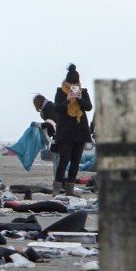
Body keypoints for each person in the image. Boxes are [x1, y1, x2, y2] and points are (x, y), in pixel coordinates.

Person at [53, 64, 93, 195]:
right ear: (67, 82)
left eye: (75, 83)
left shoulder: (83, 92)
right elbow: (57, 108)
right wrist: (67, 100)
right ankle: (57, 188)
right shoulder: (60, 92)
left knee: (76, 161)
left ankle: (70, 189)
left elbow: (88, 107)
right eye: (71, 83)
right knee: (64, 159)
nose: (73, 86)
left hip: (80, 131)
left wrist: (80, 98)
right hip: (65, 131)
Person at [32, 93, 61, 183]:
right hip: (61, 135)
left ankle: (59, 181)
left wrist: (39, 125)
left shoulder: (49, 108)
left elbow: (53, 123)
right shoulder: (51, 105)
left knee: (57, 160)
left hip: (59, 137)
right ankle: (61, 180)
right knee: (60, 160)